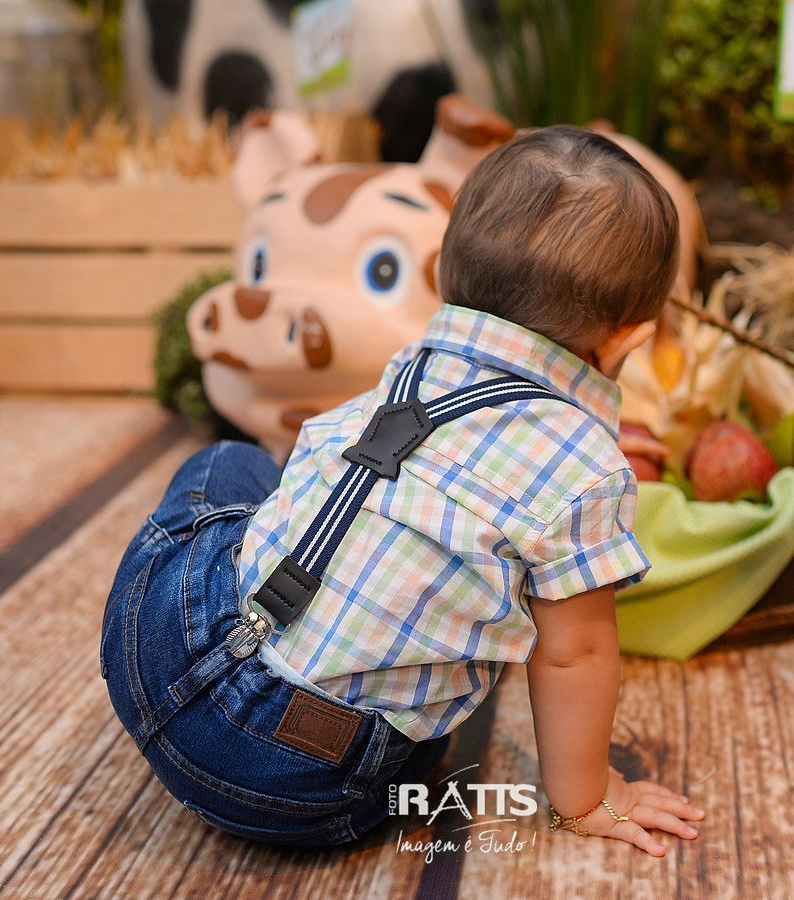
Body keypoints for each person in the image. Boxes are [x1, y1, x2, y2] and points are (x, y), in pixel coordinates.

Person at [101, 125, 705, 856]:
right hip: (301, 780)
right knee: (427, 735)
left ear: (447, 273)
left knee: (229, 462)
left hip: (153, 650)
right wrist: (586, 798)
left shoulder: (414, 361)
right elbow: (574, 655)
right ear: (630, 338)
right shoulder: (584, 469)